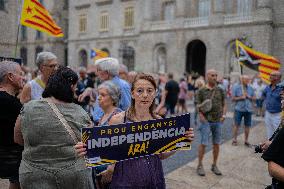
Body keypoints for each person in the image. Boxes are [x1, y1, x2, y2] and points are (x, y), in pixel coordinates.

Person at [75, 73, 194, 189]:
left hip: (153, 177)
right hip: (126, 179)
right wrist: (87, 149)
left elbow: (161, 154)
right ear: (132, 93)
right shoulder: (118, 120)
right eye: (140, 91)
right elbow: (108, 150)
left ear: (155, 94)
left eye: (149, 90)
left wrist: (180, 141)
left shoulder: (158, 120)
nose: (145, 95)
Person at [14, 67, 94, 189]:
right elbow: (91, 145)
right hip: (73, 174)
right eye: (76, 86)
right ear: (71, 87)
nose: (76, 89)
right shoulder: (81, 113)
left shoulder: (28, 108)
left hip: (34, 173)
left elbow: (18, 139)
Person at [78, 58, 131, 125]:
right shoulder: (104, 84)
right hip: (99, 124)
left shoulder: (123, 86)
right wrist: (90, 90)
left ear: (107, 72)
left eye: (99, 70)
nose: (96, 73)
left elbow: (127, 109)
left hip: (111, 127)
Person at [195, 69, 226, 176]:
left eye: (216, 75)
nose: (215, 77)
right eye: (212, 75)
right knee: (203, 143)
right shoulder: (201, 91)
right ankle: (199, 165)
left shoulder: (221, 90)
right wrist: (200, 116)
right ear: (207, 76)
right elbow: (198, 105)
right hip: (206, 121)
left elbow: (224, 103)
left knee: (216, 144)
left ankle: (214, 165)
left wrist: (224, 115)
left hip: (217, 121)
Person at [0, 61, 25, 189]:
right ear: (10, 76)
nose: (24, 77)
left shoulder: (13, 101)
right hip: (13, 159)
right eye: (21, 74)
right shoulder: (12, 104)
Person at [231, 75, 255, 146]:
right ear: (242, 80)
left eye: (248, 79)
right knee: (236, 125)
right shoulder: (236, 87)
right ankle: (234, 139)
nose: (248, 81)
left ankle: (246, 140)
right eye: (246, 79)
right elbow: (232, 98)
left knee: (247, 125)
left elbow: (254, 98)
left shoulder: (251, 88)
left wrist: (249, 97)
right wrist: (241, 97)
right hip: (239, 109)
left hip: (248, 110)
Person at [262, 71, 282, 139]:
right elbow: (263, 95)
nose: (270, 76)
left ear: (278, 77)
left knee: (278, 134)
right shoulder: (268, 87)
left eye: (272, 75)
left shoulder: (282, 88)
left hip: (278, 114)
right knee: (269, 133)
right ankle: (270, 147)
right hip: (268, 113)